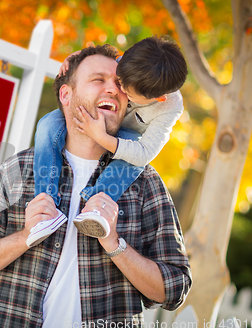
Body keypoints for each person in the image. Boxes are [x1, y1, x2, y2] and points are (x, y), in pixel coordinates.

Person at [0, 44, 191, 328]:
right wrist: (25, 237)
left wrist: (114, 244)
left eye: (119, 84)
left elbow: (174, 289)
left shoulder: (145, 183)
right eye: (98, 80)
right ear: (66, 95)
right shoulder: (18, 170)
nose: (115, 89)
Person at [32, 36, 187, 244]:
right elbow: (101, 57)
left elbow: (145, 153)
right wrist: (76, 57)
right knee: (46, 125)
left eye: (126, 90)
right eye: (120, 78)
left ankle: (97, 205)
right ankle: (45, 201)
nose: (116, 89)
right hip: (94, 117)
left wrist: (102, 138)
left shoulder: (170, 107)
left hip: (124, 139)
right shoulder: (129, 62)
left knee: (134, 161)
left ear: (158, 98)